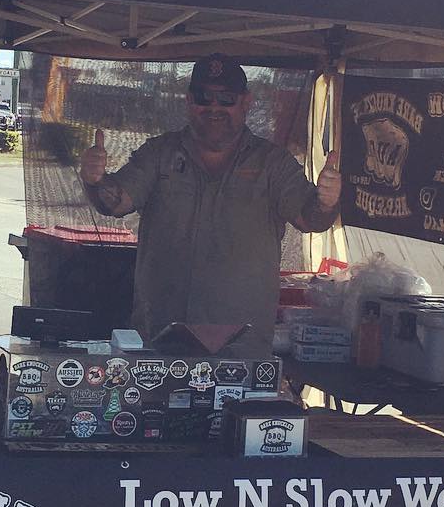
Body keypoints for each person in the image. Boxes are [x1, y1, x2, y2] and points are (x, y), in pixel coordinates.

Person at [79, 54, 341, 352]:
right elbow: (116, 202)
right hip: (161, 338)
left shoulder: (273, 163)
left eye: (226, 98)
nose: (214, 108)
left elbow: (310, 220)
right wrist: (95, 181)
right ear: (190, 101)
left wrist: (326, 202)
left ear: (246, 102)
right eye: (205, 97)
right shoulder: (159, 154)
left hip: (241, 344)